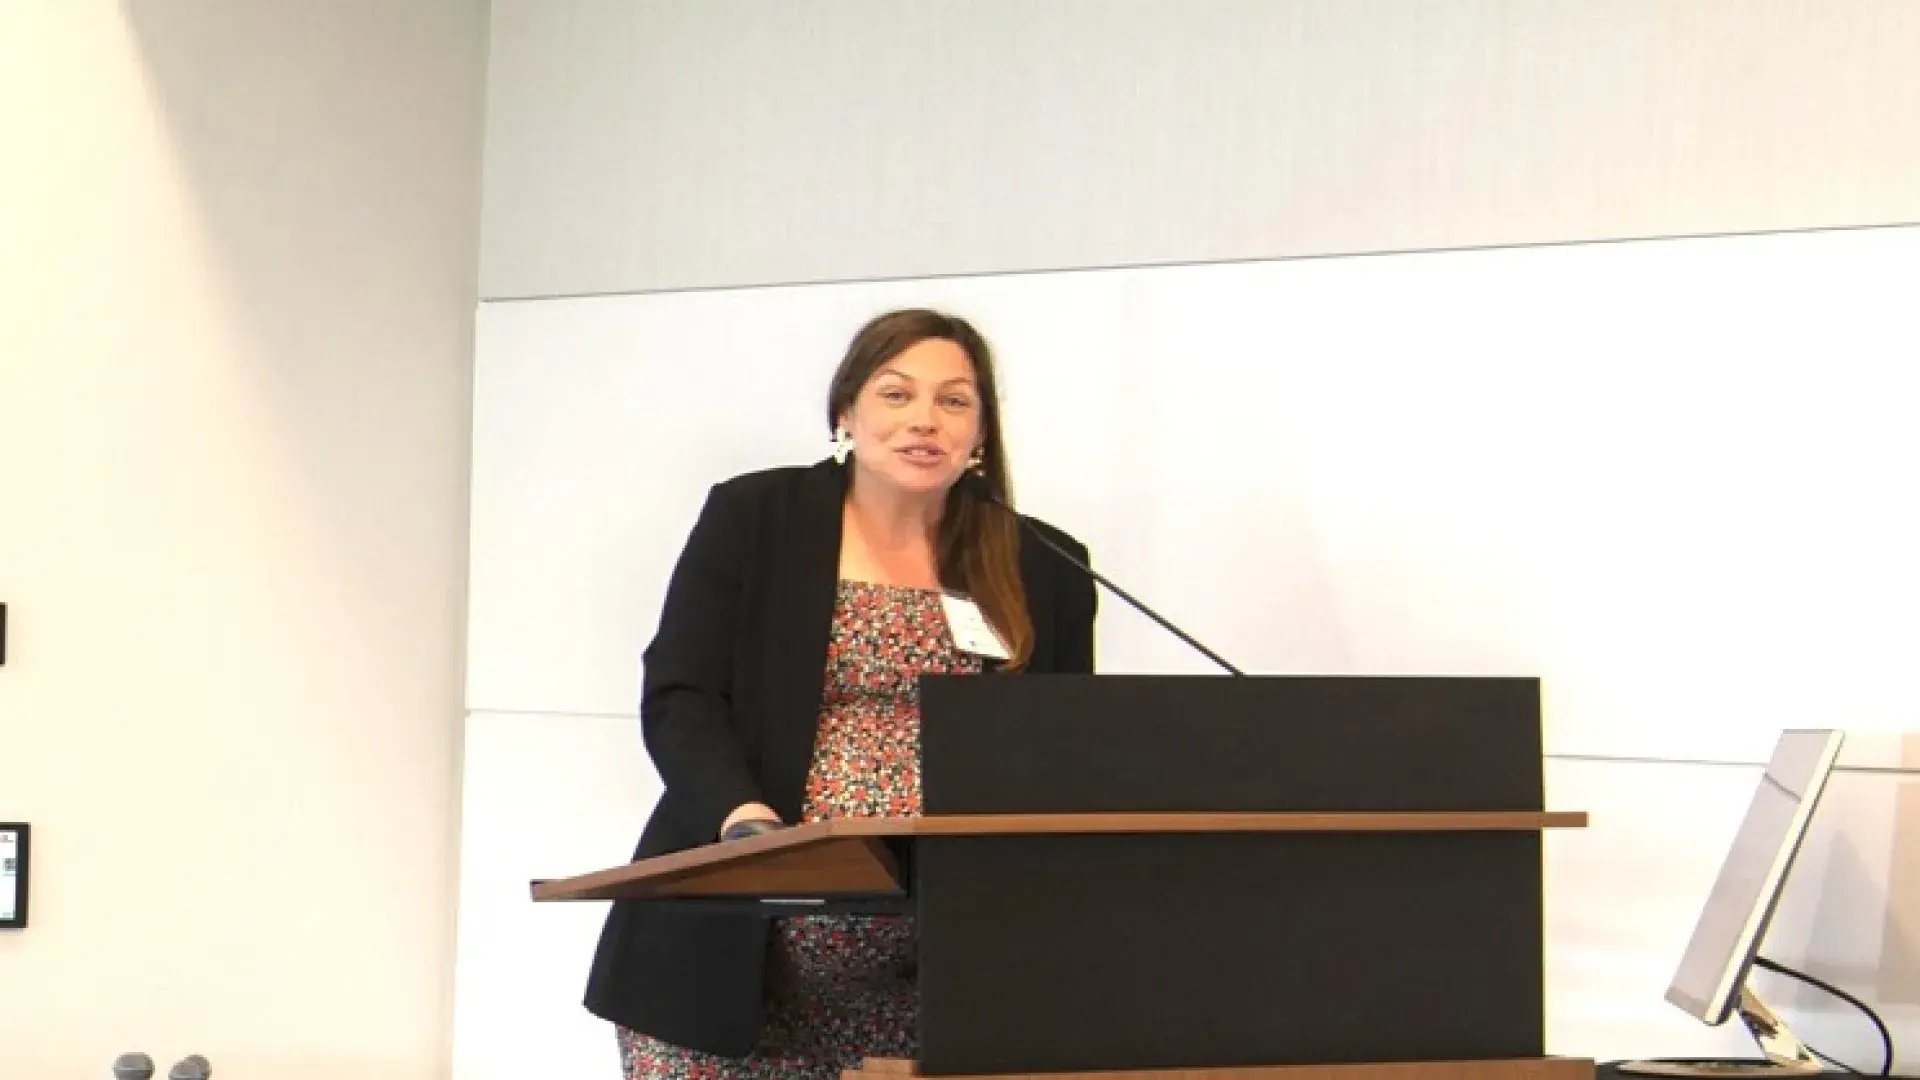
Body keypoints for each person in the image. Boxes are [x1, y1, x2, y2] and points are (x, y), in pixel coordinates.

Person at [583, 307, 1099, 1080]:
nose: (925, 419)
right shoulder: (757, 517)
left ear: (981, 432)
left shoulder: (1043, 564)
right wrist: (747, 826)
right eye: (897, 394)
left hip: (935, 985)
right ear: (846, 411)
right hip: (732, 962)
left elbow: (1065, 755)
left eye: (954, 400)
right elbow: (683, 693)